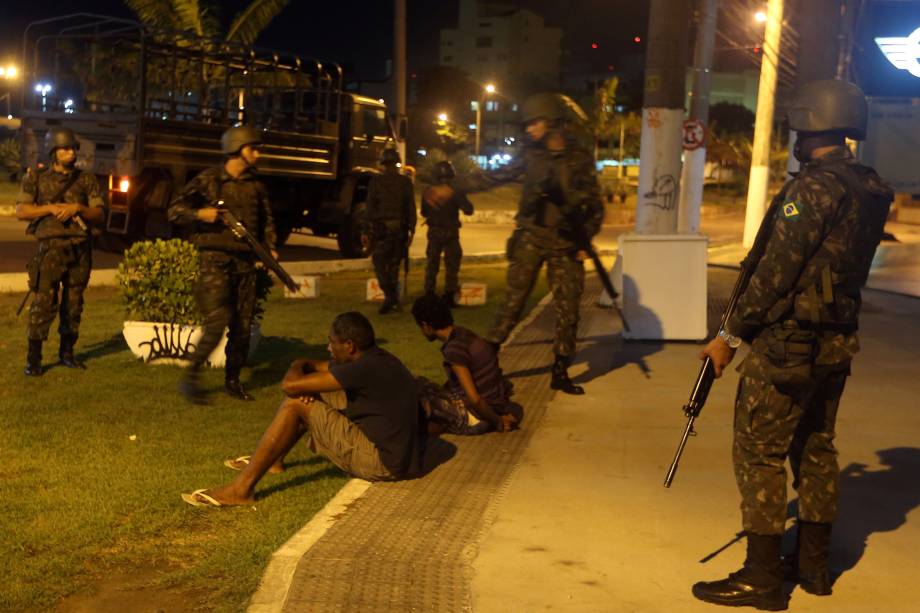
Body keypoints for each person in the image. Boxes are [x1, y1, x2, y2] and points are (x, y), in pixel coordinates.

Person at [692, 79, 893, 611]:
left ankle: (761, 579)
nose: (795, 137)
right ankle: (813, 568)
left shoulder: (812, 190)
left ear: (813, 125)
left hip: (788, 347)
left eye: (799, 127)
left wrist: (730, 337)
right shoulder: (870, 186)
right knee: (817, 448)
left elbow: (774, 274)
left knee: (759, 455)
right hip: (835, 346)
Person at [180, 312, 424, 506]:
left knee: (295, 402)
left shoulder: (361, 369)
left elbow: (290, 386)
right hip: (403, 458)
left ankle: (241, 489)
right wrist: (308, 372)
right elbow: (319, 368)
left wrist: (298, 362)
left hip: (383, 462)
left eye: (332, 343)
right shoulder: (376, 359)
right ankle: (274, 461)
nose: (328, 349)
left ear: (349, 346)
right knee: (313, 393)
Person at [480, 93, 604, 395]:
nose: (529, 129)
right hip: (531, 238)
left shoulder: (579, 158)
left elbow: (594, 204)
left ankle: (560, 372)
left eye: (534, 122)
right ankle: (483, 366)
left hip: (565, 243)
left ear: (551, 122)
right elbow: (497, 176)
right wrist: (454, 186)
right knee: (512, 304)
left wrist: (586, 237)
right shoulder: (530, 155)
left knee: (568, 310)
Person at [168, 125, 277, 403]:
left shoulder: (257, 186)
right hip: (214, 261)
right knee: (218, 321)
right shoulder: (209, 181)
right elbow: (174, 211)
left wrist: (270, 250)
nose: (258, 153)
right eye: (253, 148)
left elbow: (267, 224)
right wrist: (200, 214)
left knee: (242, 326)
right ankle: (190, 378)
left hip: (245, 262)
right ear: (238, 149)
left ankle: (233, 381)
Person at [15, 127, 106, 376]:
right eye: (65, 148)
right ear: (53, 152)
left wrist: (78, 207)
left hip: (79, 249)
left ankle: (67, 354)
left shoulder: (86, 179)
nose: (71, 152)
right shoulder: (37, 178)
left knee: (73, 305)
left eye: (73, 148)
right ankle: (34, 360)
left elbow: (99, 213)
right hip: (51, 250)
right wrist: (51, 208)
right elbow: (22, 211)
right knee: (43, 305)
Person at [411, 294, 520, 435]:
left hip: (479, 416)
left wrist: (497, 421)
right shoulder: (463, 333)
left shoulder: (454, 350)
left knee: (417, 388)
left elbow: (475, 399)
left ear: (426, 326)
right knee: (428, 387)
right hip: (497, 404)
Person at [364, 148, 416, 314]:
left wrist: (365, 230)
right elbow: (411, 208)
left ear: (383, 163)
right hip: (399, 230)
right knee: (394, 266)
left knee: (379, 263)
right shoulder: (405, 182)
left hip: (383, 230)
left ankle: (390, 297)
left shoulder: (376, 182)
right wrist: (412, 231)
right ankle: (392, 299)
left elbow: (370, 208)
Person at [421, 160, 474, 306]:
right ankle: (449, 296)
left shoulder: (428, 192)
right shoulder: (454, 191)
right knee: (452, 266)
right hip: (451, 233)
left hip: (434, 232)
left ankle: (429, 294)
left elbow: (424, 212)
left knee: (432, 265)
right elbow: (469, 210)